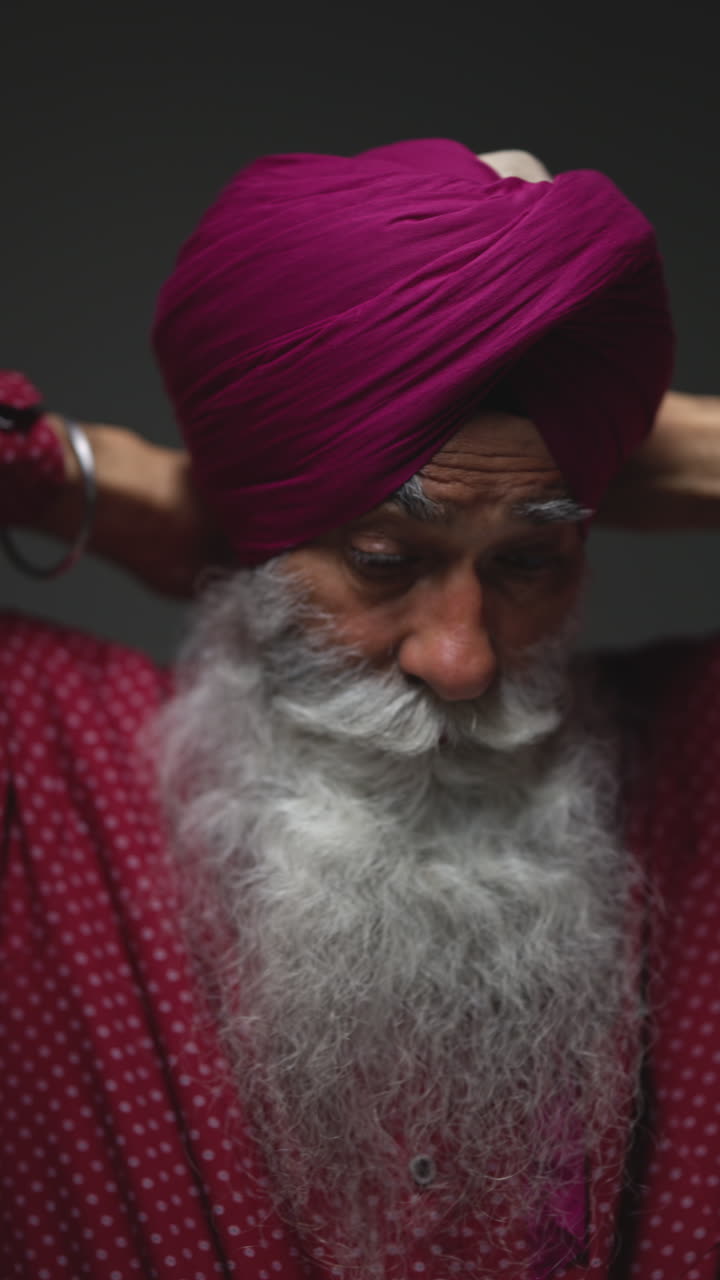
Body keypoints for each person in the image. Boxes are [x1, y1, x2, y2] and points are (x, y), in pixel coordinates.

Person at [2, 141, 720, 1280]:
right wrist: (102, 478)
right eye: (385, 559)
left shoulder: (693, 773)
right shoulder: (43, 765)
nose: (462, 660)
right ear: (255, 539)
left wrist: (662, 443)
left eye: (530, 562)